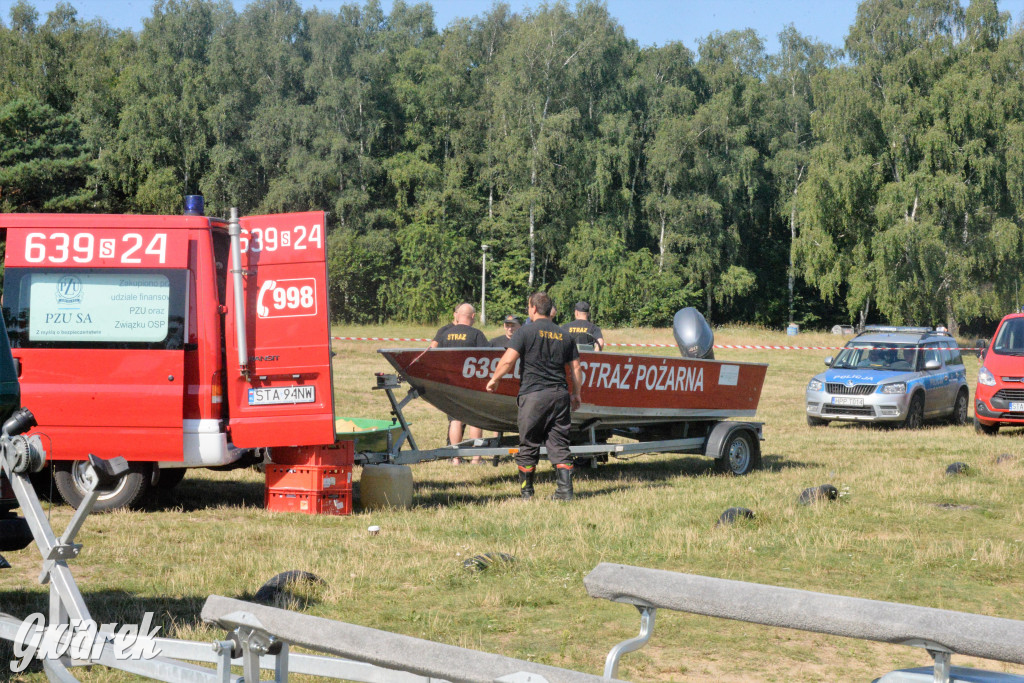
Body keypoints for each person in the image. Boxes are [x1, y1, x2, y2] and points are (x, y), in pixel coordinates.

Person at [486, 292, 583, 501]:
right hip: (559, 395)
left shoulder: (525, 332)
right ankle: (565, 492)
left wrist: (495, 379)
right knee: (559, 443)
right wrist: (576, 394)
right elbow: (576, 368)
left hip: (534, 395)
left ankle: (527, 493)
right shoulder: (565, 335)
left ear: (534, 309)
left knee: (528, 443)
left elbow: (507, 361)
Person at [431, 303, 489, 464]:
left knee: (455, 419)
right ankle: (476, 458)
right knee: (474, 419)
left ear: (458, 315)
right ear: (472, 317)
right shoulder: (476, 334)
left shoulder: (446, 334)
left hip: (452, 383)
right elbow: (489, 357)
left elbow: (434, 357)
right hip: (472, 383)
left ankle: (455, 458)